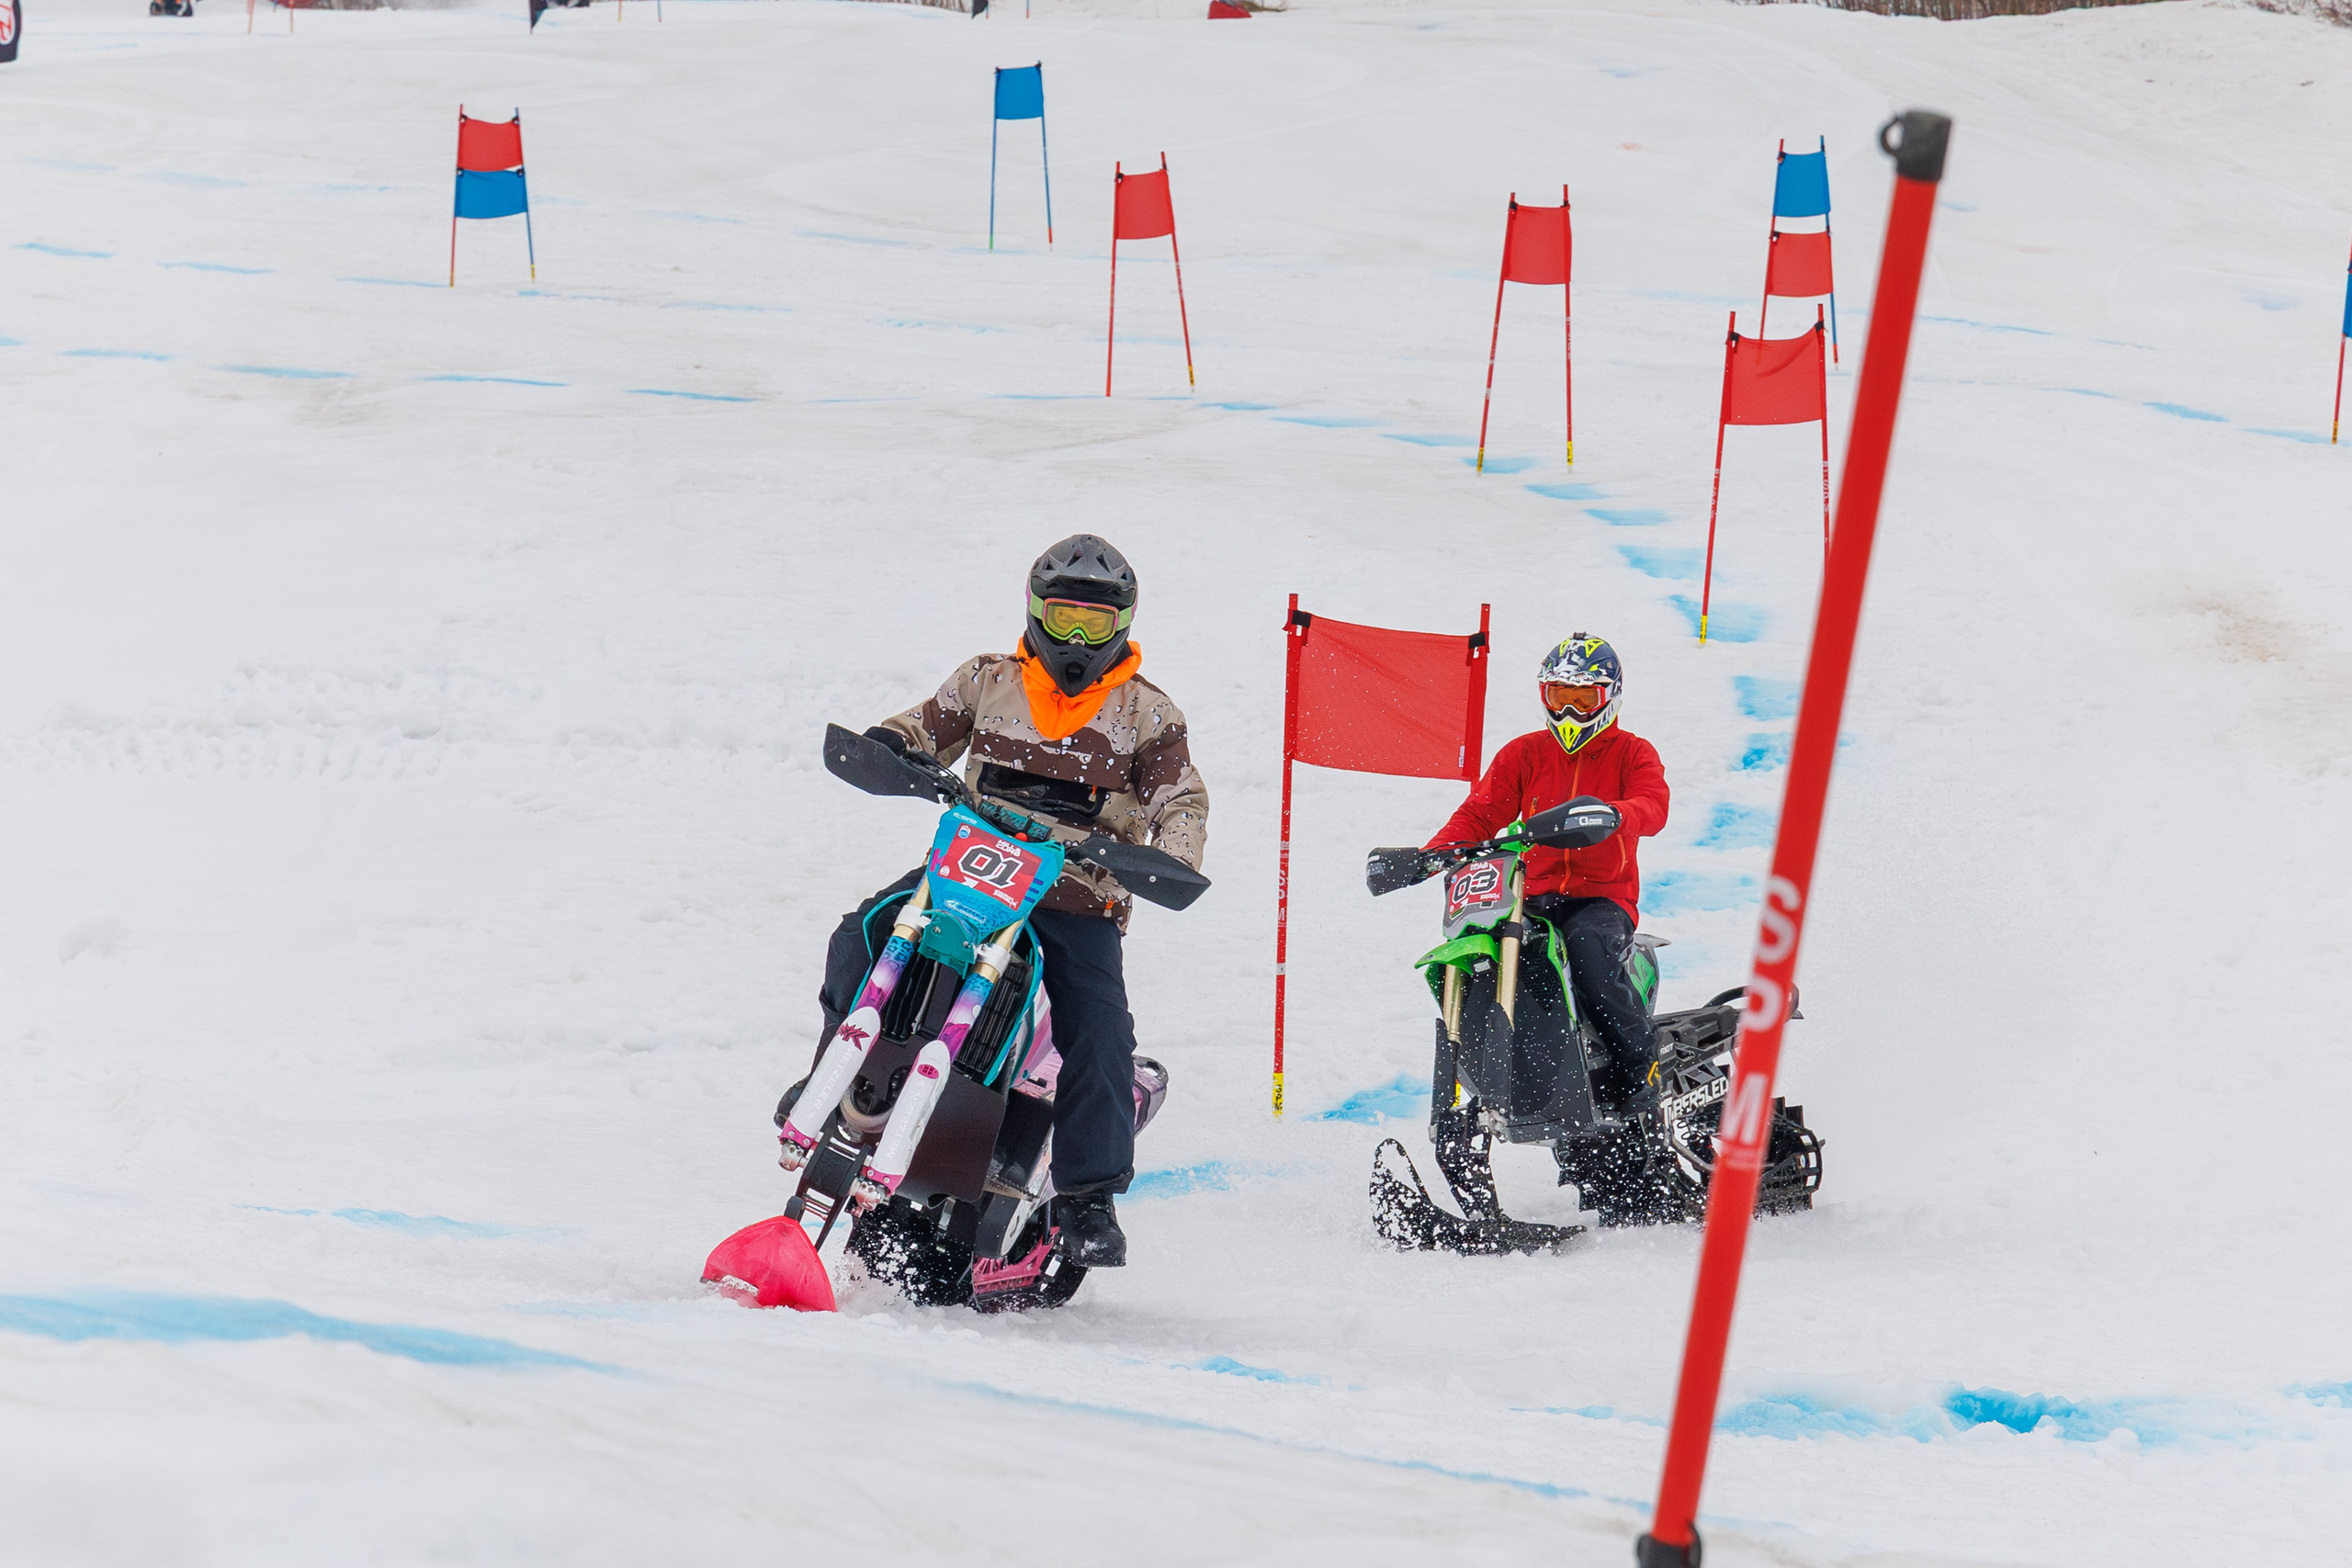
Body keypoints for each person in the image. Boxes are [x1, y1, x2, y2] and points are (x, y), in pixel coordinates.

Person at [797, 535, 1208, 1269]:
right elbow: (921, 725)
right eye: (1063, 617)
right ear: (1034, 610)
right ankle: (834, 1073)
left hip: (1075, 897)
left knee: (1102, 1031)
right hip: (969, 872)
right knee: (856, 934)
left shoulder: (1149, 713)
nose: (1077, 638)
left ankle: (1088, 1194)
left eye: (1095, 624)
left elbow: (1183, 801)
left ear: (1124, 624)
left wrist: (1170, 858)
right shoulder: (988, 680)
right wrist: (886, 747)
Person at [1424, 634, 1669, 1111]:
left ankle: (1641, 1064)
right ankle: (1498, 1084)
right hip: (1528, 898)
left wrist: (1616, 814)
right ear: (1545, 696)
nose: (1572, 712)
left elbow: (1652, 805)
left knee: (1586, 950)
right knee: (1484, 960)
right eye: (1562, 696)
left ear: (1609, 697)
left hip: (1600, 900)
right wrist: (1433, 854)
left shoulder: (1633, 753)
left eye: (1585, 698)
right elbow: (1478, 815)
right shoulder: (1525, 754)